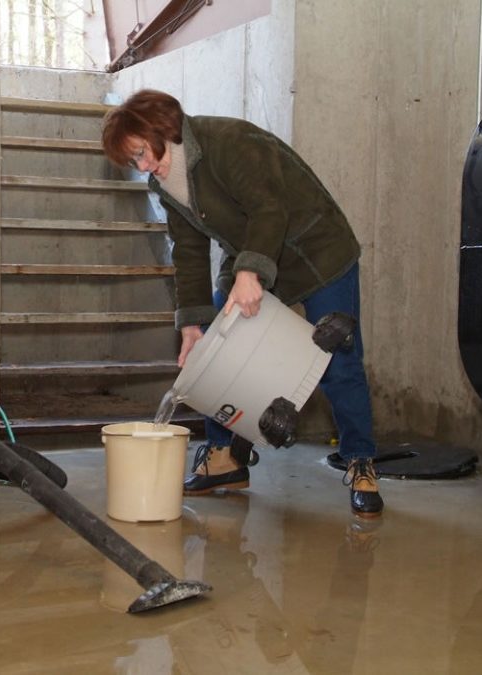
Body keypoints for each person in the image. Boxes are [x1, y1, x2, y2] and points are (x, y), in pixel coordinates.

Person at [102, 89, 383, 518]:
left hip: (318, 253)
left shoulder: (229, 142)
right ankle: (224, 457)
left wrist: (249, 273)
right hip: (256, 257)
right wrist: (193, 323)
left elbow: (269, 209)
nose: (143, 167)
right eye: (133, 163)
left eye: (142, 153)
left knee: (338, 362)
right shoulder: (165, 182)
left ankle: (361, 462)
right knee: (217, 355)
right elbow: (189, 249)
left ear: (162, 128)